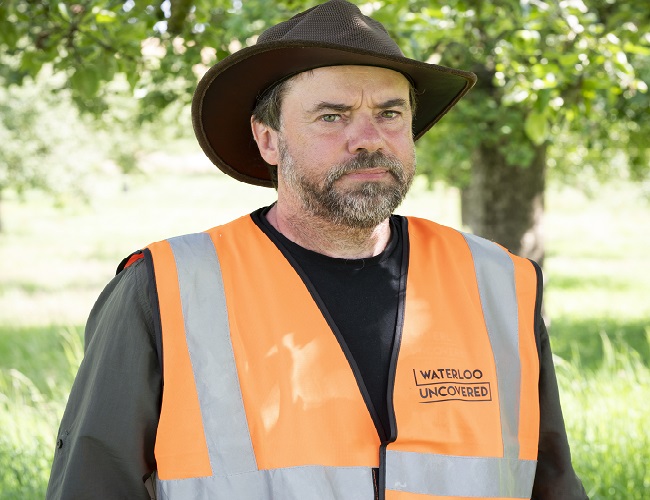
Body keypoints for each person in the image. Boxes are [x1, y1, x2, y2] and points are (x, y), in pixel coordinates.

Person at [46, 1, 588, 498]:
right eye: (332, 116)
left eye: (390, 113)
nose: (369, 138)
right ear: (269, 140)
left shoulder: (499, 282)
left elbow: (551, 482)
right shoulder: (164, 287)